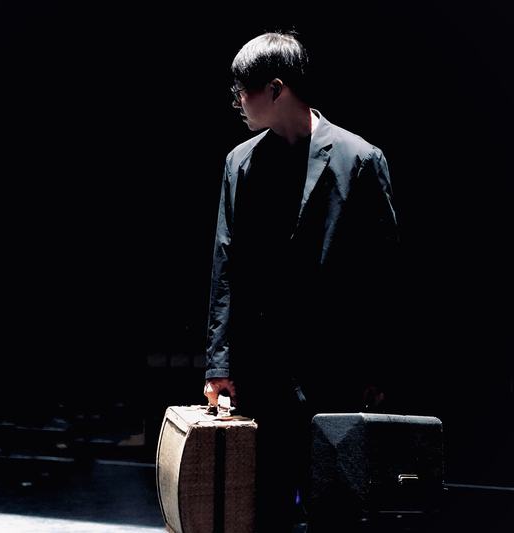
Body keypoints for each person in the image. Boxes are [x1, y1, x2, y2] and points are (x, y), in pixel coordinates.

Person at [202, 32, 400, 531]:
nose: (236, 101)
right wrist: (220, 364)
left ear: (276, 89)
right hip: (263, 368)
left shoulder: (359, 159)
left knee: (334, 507)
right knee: (264, 507)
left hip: (336, 367)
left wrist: (379, 368)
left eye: (242, 90)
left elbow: (384, 274)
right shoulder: (240, 163)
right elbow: (226, 264)